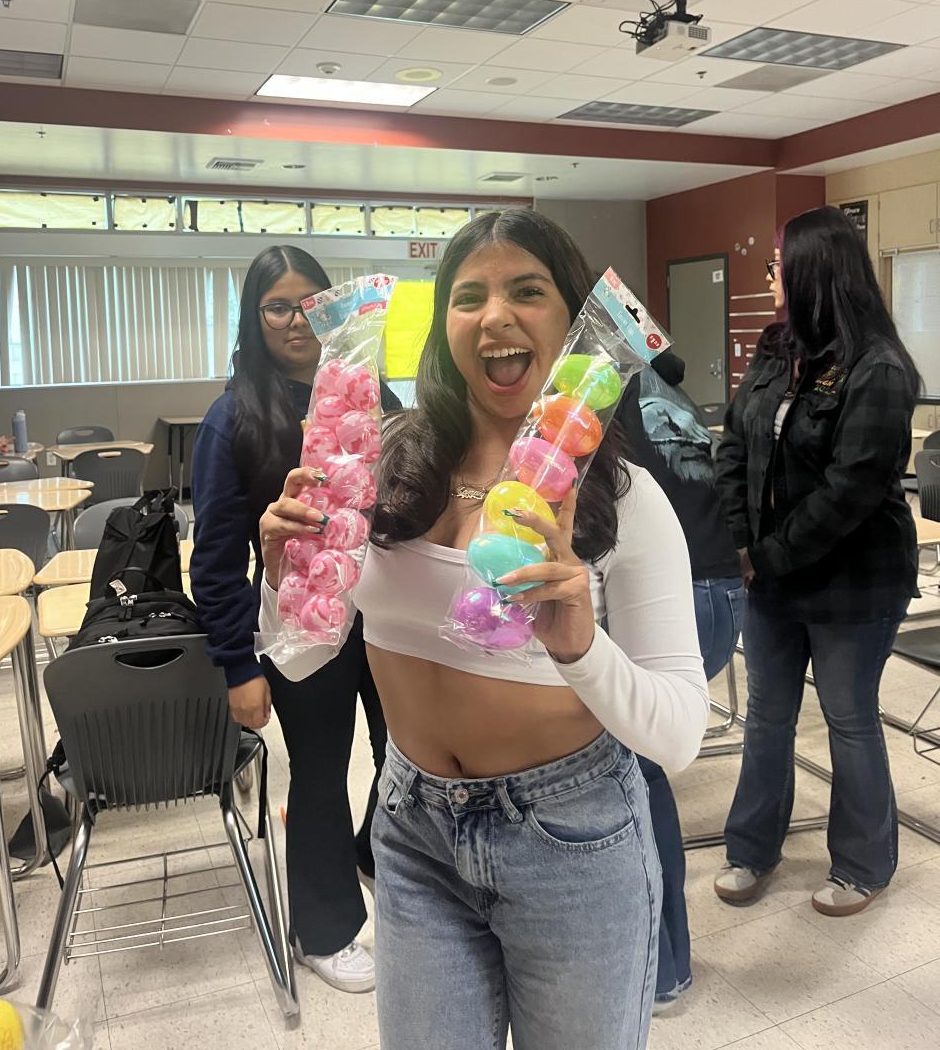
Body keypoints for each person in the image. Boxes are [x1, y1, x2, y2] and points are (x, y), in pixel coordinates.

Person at [258, 210, 708, 1050]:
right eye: (469, 297)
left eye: (526, 291)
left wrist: (580, 646)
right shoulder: (382, 465)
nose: (495, 315)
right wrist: (284, 575)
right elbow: (306, 655)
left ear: (571, 320)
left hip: (570, 840)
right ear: (444, 328)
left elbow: (681, 734)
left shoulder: (626, 499)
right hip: (412, 829)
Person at [191, 245, 400, 993]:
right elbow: (215, 557)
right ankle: (324, 928)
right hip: (301, 623)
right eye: (277, 306)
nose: (296, 320)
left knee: (407, 755)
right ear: (254, 318)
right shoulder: (233, 418)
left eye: (310, 302)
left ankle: (374, 851)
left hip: (388, 616)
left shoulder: (371, 394)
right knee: (318, 772)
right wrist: (237, 666)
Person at [714, 205, 920, 917]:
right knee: (767, 714)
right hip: (771, 575)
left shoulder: (878, 367)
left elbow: (849, 491)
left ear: (813, 271)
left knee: (849, 717)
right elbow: (734, 443)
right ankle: (751, 849)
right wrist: (740, 542)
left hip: (853, 582)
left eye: (778, 264)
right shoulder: (778, 347)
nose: (770, 276)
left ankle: (863, 864)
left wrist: (765, 557)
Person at [619, 348, 743, 1007]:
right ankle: (664, 962)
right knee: (637, 769)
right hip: (720, 591)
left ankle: (661, 965)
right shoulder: (660, 389)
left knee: (631, 772)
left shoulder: (597, 395)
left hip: (684, 592)